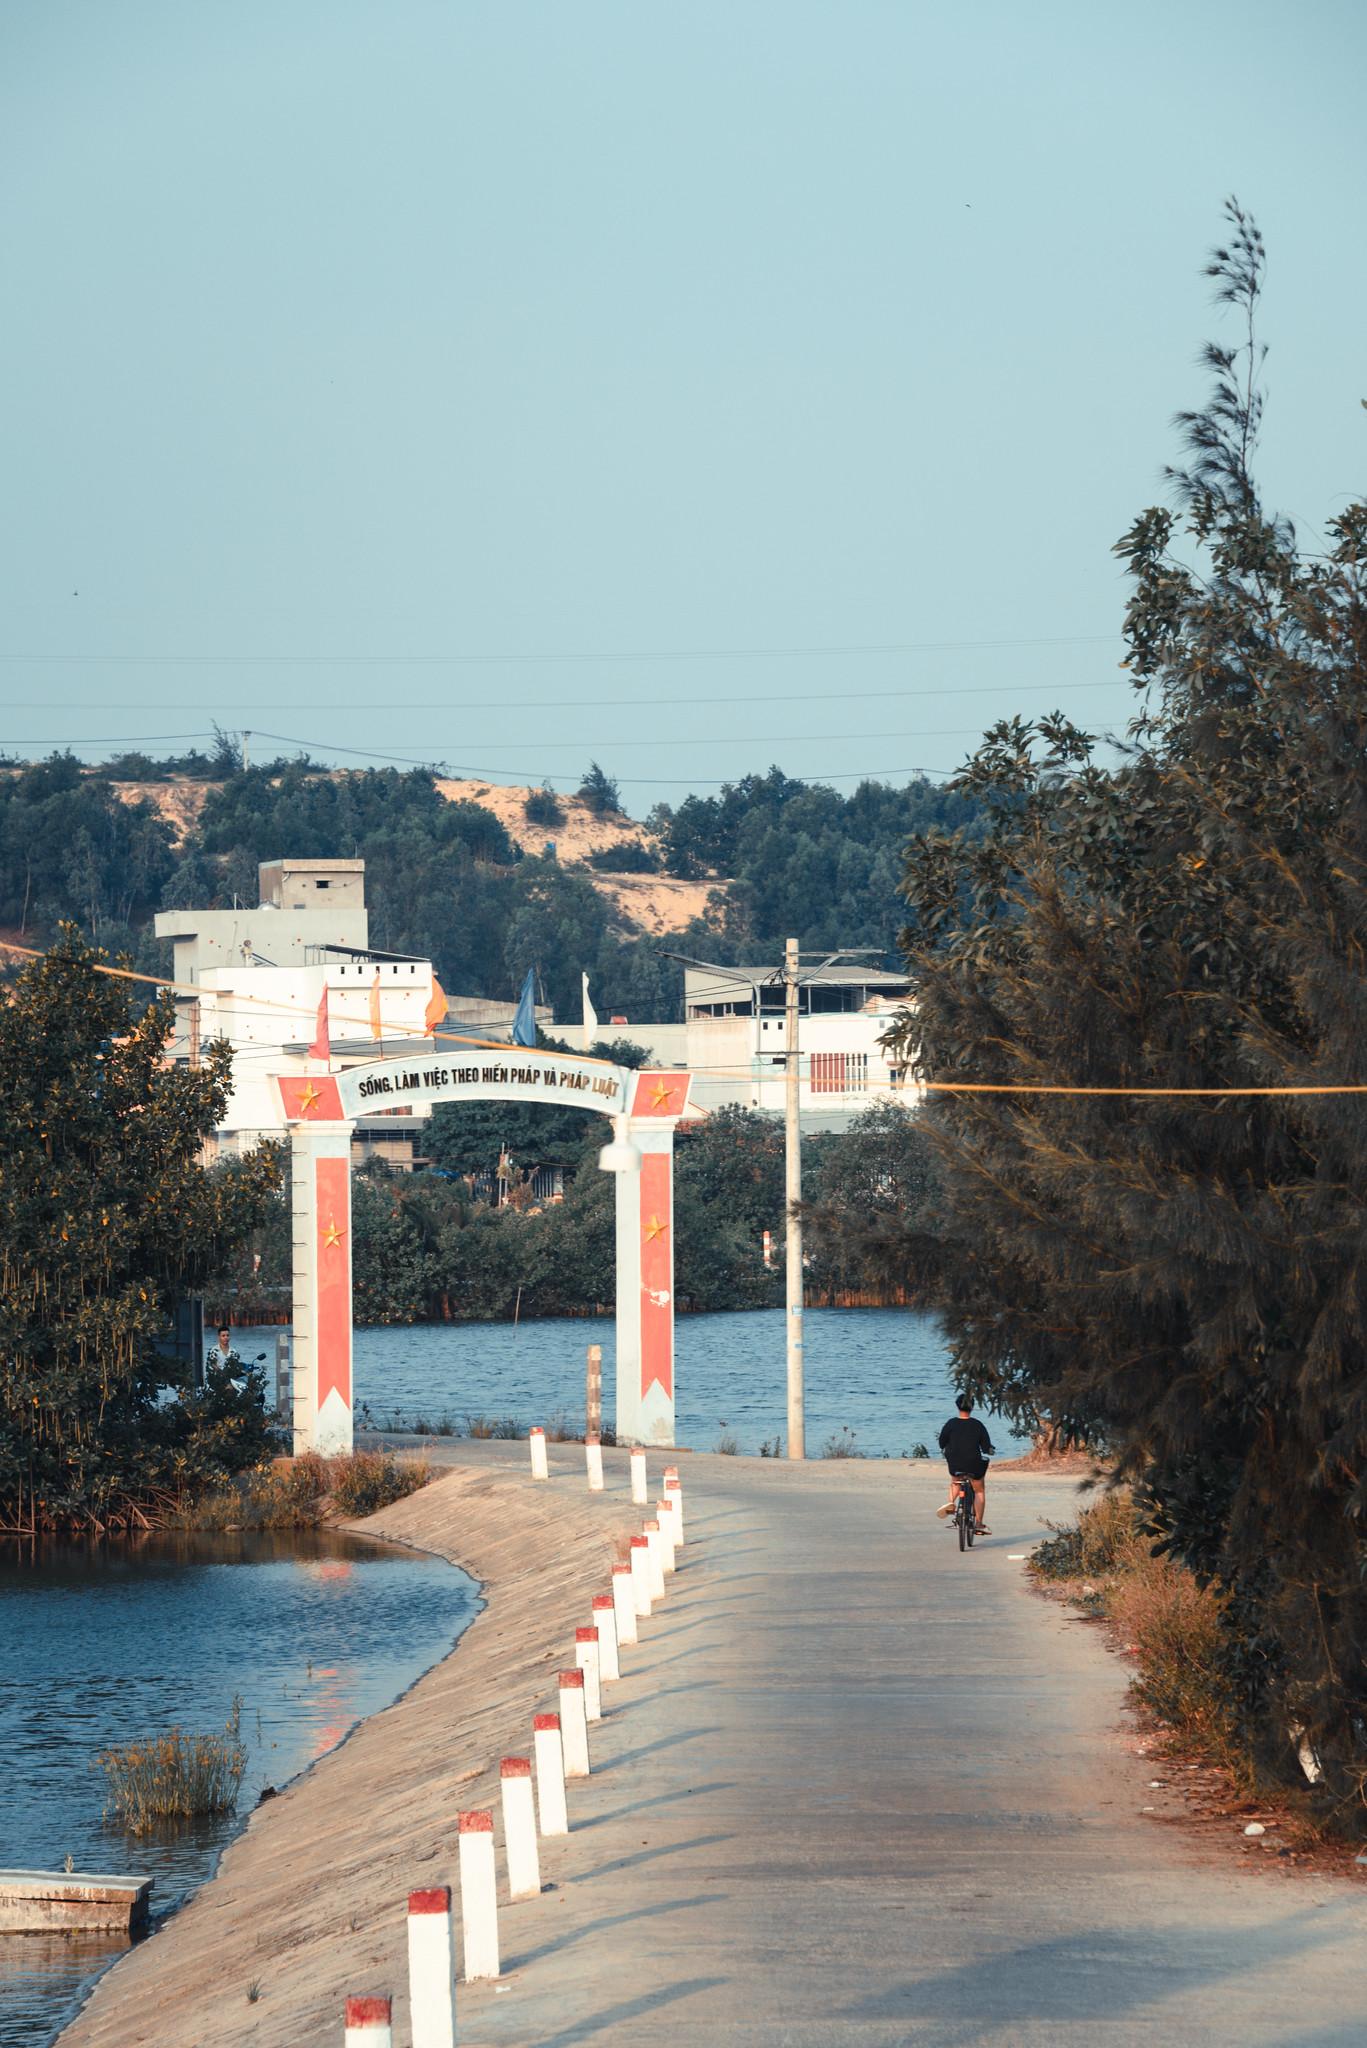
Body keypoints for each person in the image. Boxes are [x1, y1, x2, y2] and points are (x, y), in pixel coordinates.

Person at [936, 1397, 995, 1535]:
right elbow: (986, 1447)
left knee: (955, 1482)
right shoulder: (977, 1425)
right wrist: (989, 1449)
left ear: (957, 1406)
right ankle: (979, 1524)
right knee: (979, 1490)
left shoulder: (951, 1423)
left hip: (955, 1462)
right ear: (972, 1407)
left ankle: (950, 1502)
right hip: (974, 1463)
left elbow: (941, 1443)